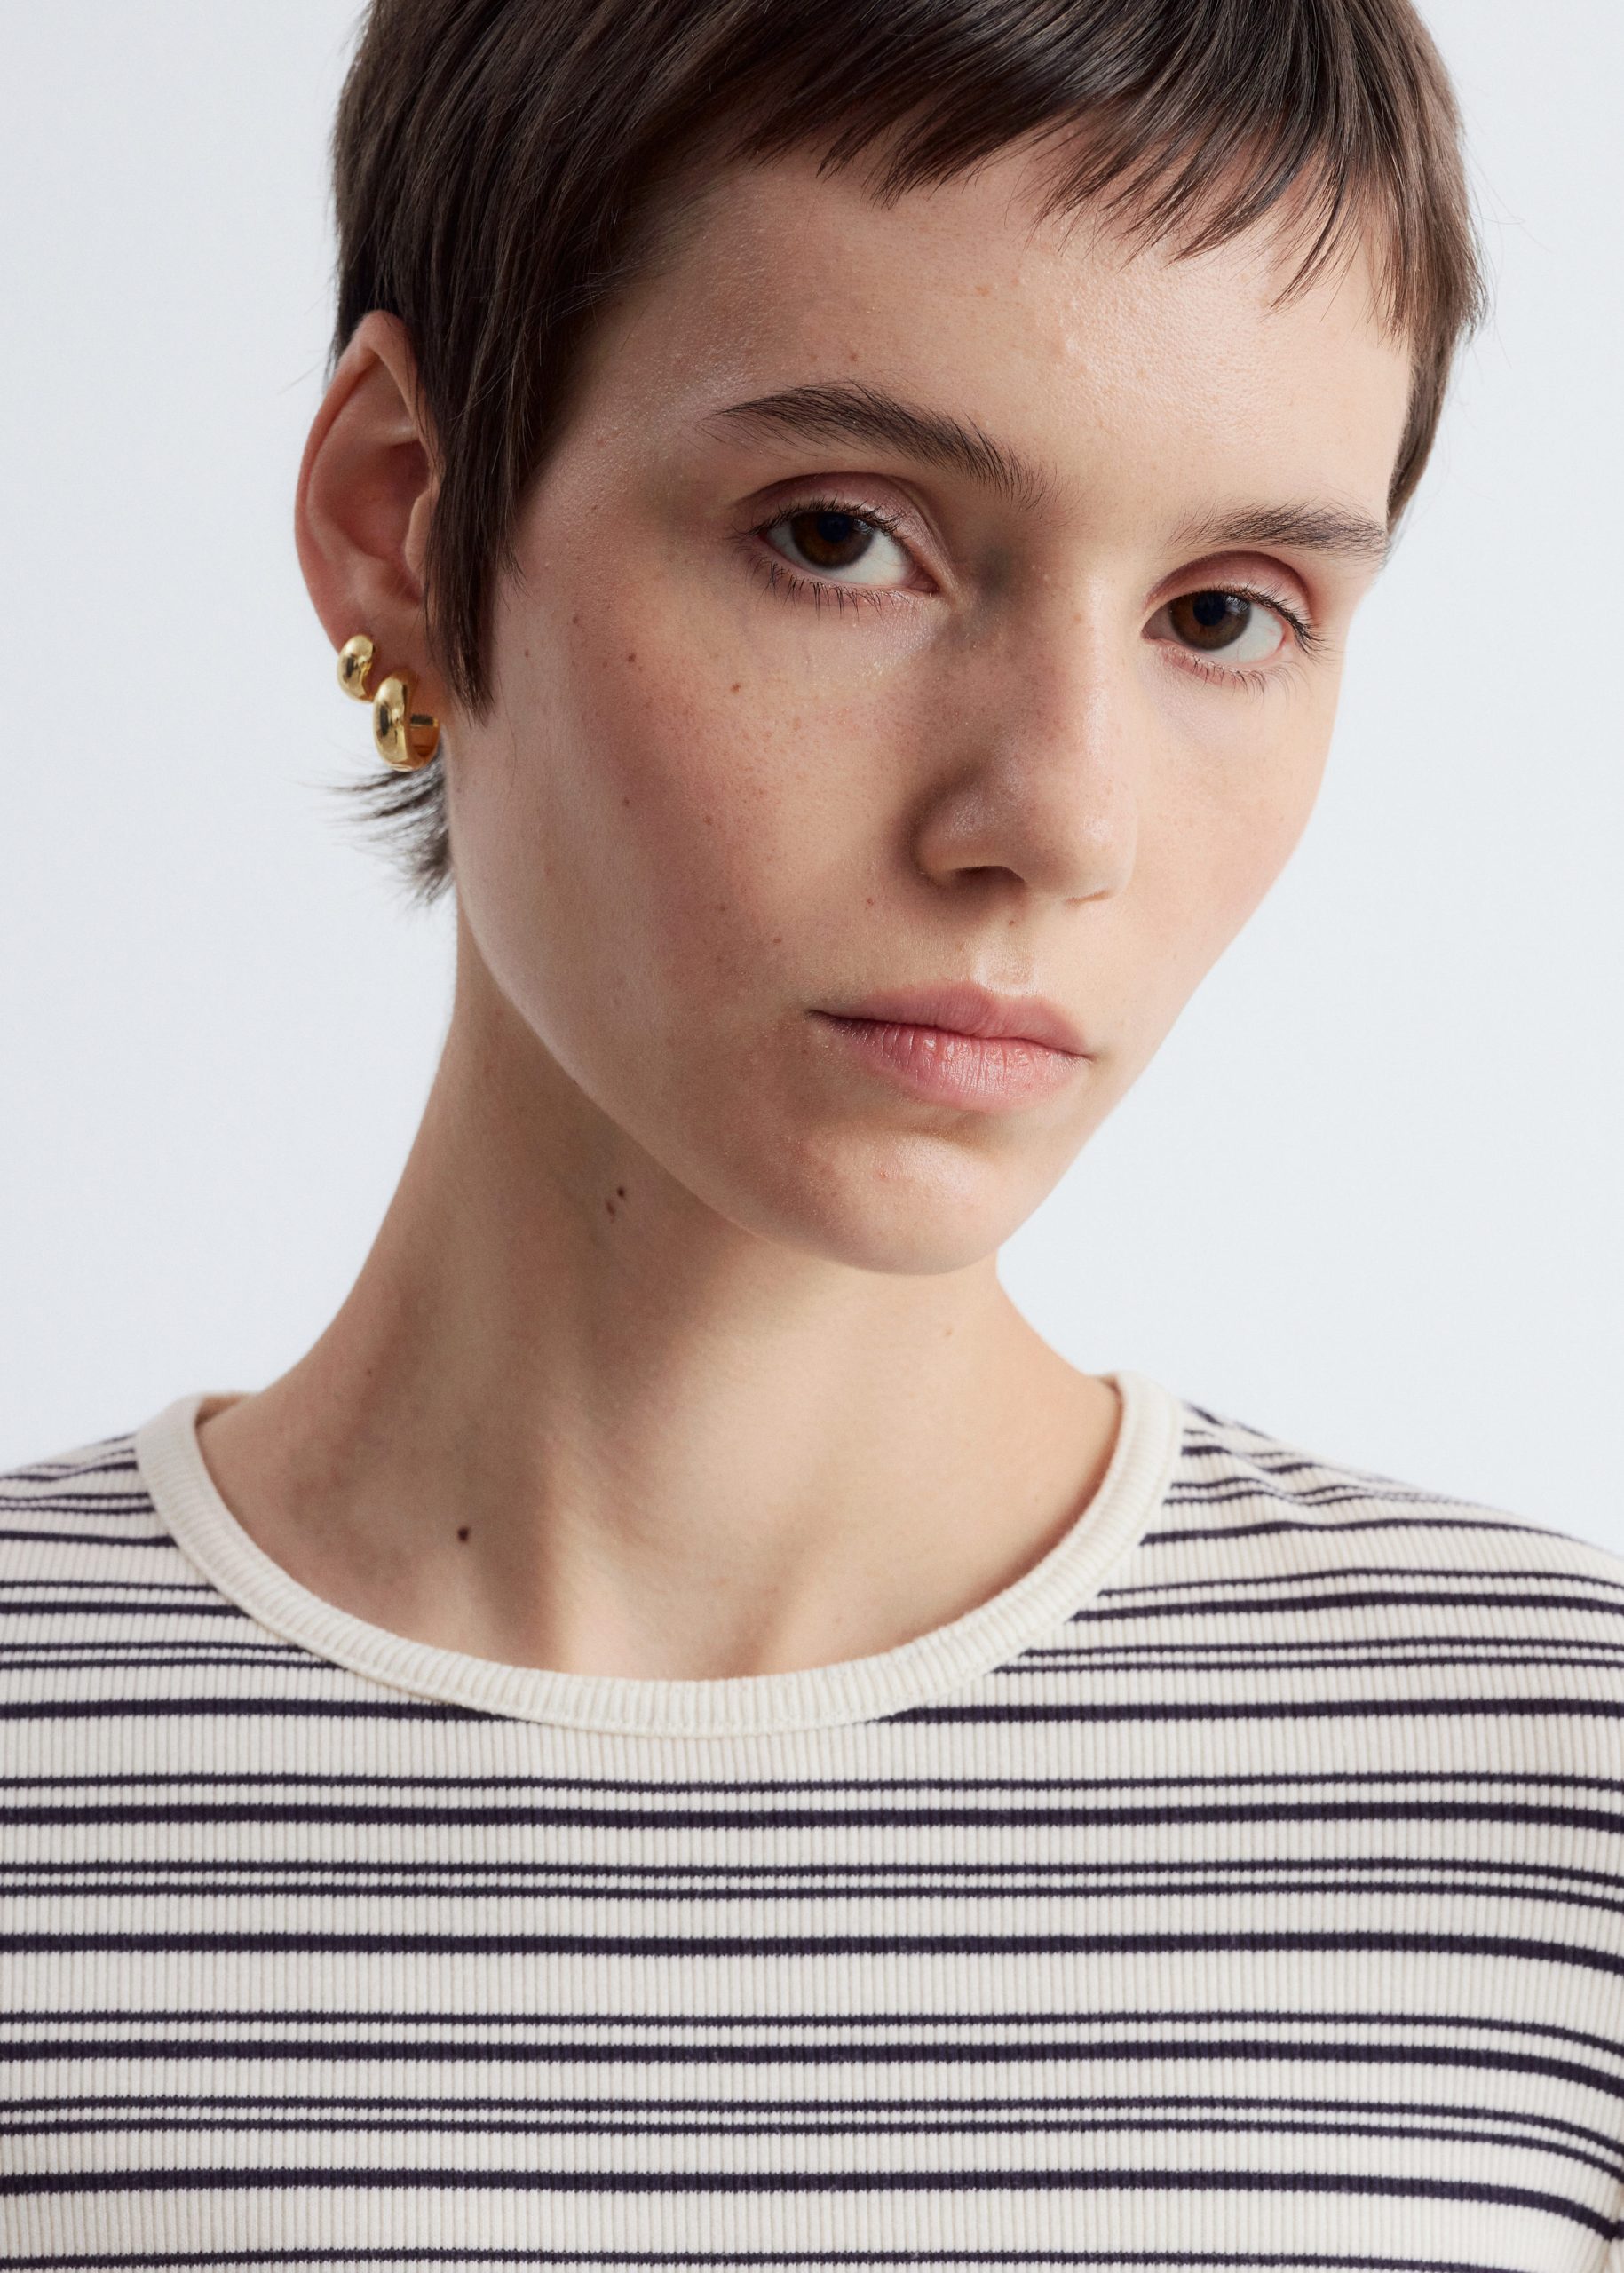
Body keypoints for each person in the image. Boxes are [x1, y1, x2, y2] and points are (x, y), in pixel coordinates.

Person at [5, 0, 1622, 2265]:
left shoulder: (1558, 1808)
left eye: (1223, 613)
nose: (1058, 819)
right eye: (846, 536)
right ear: (401, 518)